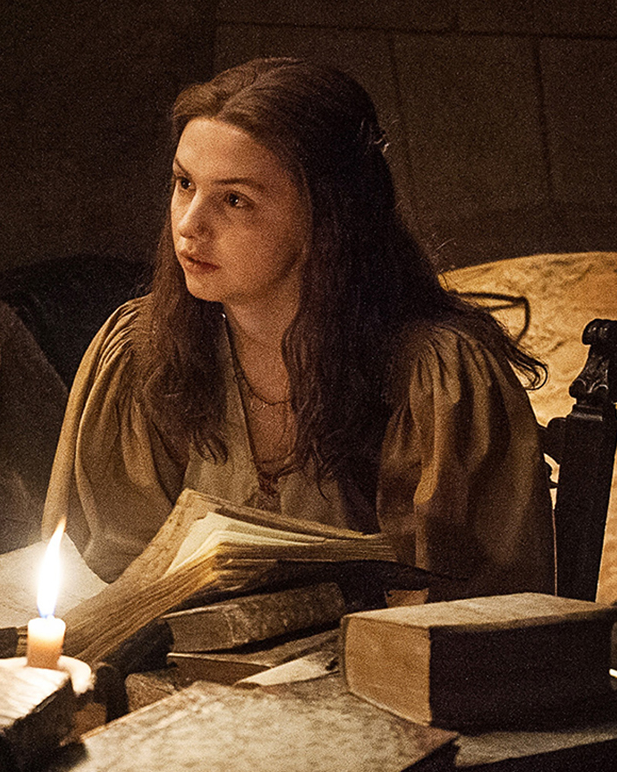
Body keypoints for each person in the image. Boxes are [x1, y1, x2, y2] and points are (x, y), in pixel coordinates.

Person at [45, 58, 557, 599]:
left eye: (234, 199)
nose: (189, 224)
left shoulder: (435, 379)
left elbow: (469, 612)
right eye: (184, 183)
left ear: (326, 216)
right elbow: (107, 579)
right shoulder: (144, 351)